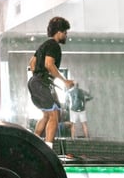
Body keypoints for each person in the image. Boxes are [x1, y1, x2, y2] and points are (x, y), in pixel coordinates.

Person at [28, 16, 74, 149]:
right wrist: (64, 81)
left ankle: (33, 145)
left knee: (47, 115)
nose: (66, 35)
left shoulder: (44, 45)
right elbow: (49, 64)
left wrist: (37, 77)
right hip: (41, 83)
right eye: (65, 33)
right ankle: (49, 148)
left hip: (34, 82)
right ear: (59, 32)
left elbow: (32, 63)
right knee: (55, 113)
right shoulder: (54, 45)